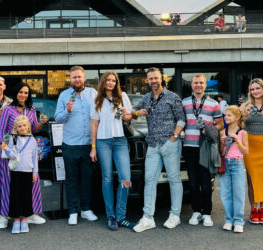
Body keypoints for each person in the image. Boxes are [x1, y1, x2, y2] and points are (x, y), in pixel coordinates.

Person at [131, 67, 184, 233]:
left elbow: (182, 119)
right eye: (150, 79)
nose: (153, 81)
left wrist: (174, 137)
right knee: (149, 180)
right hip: (152, 145)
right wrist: (135, 113)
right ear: (147, 81)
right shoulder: (146, 98)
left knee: (174, 178)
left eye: (156, 78)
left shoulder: (172, 96)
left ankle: (175, 215)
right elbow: (134, 113)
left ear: (162, 78)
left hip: (170, 143)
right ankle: (148, 217)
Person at [0, 83, 46, 229]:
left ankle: (30, 213)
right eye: (21, 92)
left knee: (31, 184)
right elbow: (2, 130)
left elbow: (34, 128)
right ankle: (4, 215)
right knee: (7, 185)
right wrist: (5, 147)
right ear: (16, 93)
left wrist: (41, 122)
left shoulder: (31, 110)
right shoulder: (8, 110)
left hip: (27, 151)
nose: (23, 95)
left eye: (26, 93)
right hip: (11, 151)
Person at [89, 71, 135, 231]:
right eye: (108, 80)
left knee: (125, 178)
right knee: (107, 178)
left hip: (120, 141)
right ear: (103, 82)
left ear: (116, 82)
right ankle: (111, 216)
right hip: (103, 142)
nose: (110, 83)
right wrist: (93, 148)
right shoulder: (97, 99)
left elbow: (129, 117)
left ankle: (121, 216)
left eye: (113, 80)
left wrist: (125, 115)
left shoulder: (122, 96)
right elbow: (94, 125)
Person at [54, 66, 98, 225]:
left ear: (84, 77)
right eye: (74, 77)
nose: (77, 79)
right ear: (70, 79)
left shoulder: (93, 94)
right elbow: (58, 118)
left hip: (88, 144)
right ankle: (73, 211)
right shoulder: (64, 95)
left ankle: (85, 209)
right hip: (70, 144)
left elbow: (99, 115)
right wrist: (66, 111)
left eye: (79, 77)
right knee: (71, 179)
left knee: (87, 179)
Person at [182, 73, 223, 227]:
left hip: (205, 146)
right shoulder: (184, 103)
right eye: (195, 83)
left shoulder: (214, 104)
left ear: (205, 85)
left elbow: (220, 124)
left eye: (201, 82)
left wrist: (210, 128)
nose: (198, 85)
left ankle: (207, 213)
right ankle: (196, 211)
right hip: (189, 147)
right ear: (191, 85)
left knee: (206, 182)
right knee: (192, 182)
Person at [240, 78, 263, 225]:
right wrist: (245, 116)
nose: (255, 91)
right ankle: (254, 209)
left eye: (257, 88)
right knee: (251, 178)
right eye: (252, 89)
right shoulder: (245, 105)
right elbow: (238, 124)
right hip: (249, 144)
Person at [0, 115, 38, 234]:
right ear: (16, 128)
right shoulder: (13, 139)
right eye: (20, 126)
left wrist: (35, 172)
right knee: (15, 196)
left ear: (28, 126)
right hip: (16, 171)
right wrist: (6, 149)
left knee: (26, 196)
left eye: (24, 125)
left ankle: (25, 219)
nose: (22, 128)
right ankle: (16, 220)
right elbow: (12, 156)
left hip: (28, 171)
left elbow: (34, 157)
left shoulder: (32, 140)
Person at [219, 105, 248, 233]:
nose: (226, 117)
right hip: (226, 163)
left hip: (237, 163)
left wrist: (238, 141)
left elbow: (246, 151)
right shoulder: (223, 132)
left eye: (229, 115)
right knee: (226, 194)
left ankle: (238, 221)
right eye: (225, 115)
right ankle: (228, 219)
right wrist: (223, 143)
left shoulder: (243, 132)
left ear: (237, 117)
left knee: (239, 194)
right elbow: (221, 152)